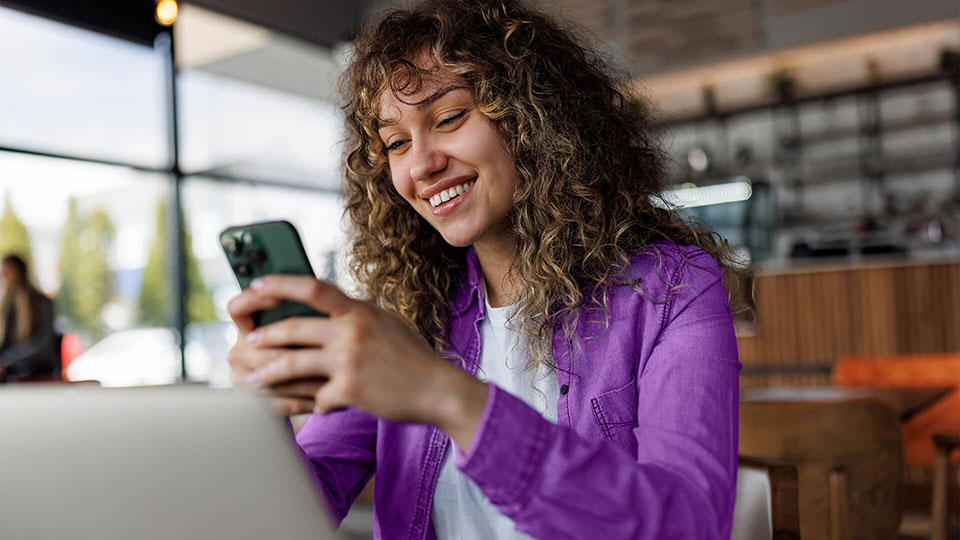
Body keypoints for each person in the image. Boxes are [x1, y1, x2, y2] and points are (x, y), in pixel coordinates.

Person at [227, 1, 749, 538]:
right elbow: (295, 510)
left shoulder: (675, 290)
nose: (422, 164)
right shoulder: (408, 316)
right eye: (397, 143)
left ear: (537, 118)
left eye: (449, 118)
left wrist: (445, 396)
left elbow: (689, 524)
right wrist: (260, 418)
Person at [0, 254, 59, 382]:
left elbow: (44, 344)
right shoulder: (7, 306)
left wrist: (7, 362)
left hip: (34, 374)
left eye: (5, 273)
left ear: (18, 273)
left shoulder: (41, 302)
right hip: (10, 375)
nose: (3, 278)